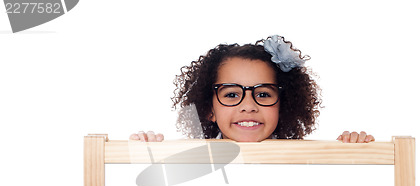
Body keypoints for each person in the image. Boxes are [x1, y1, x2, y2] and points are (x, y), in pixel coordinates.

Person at [130, 35, 374, 143]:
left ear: (283, 104)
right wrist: (145, 150)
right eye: (232, 94)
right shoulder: (195, 161)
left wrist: (354, 150)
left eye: (263, 94)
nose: (248, 105)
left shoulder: (304, 161)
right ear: (209, 109)